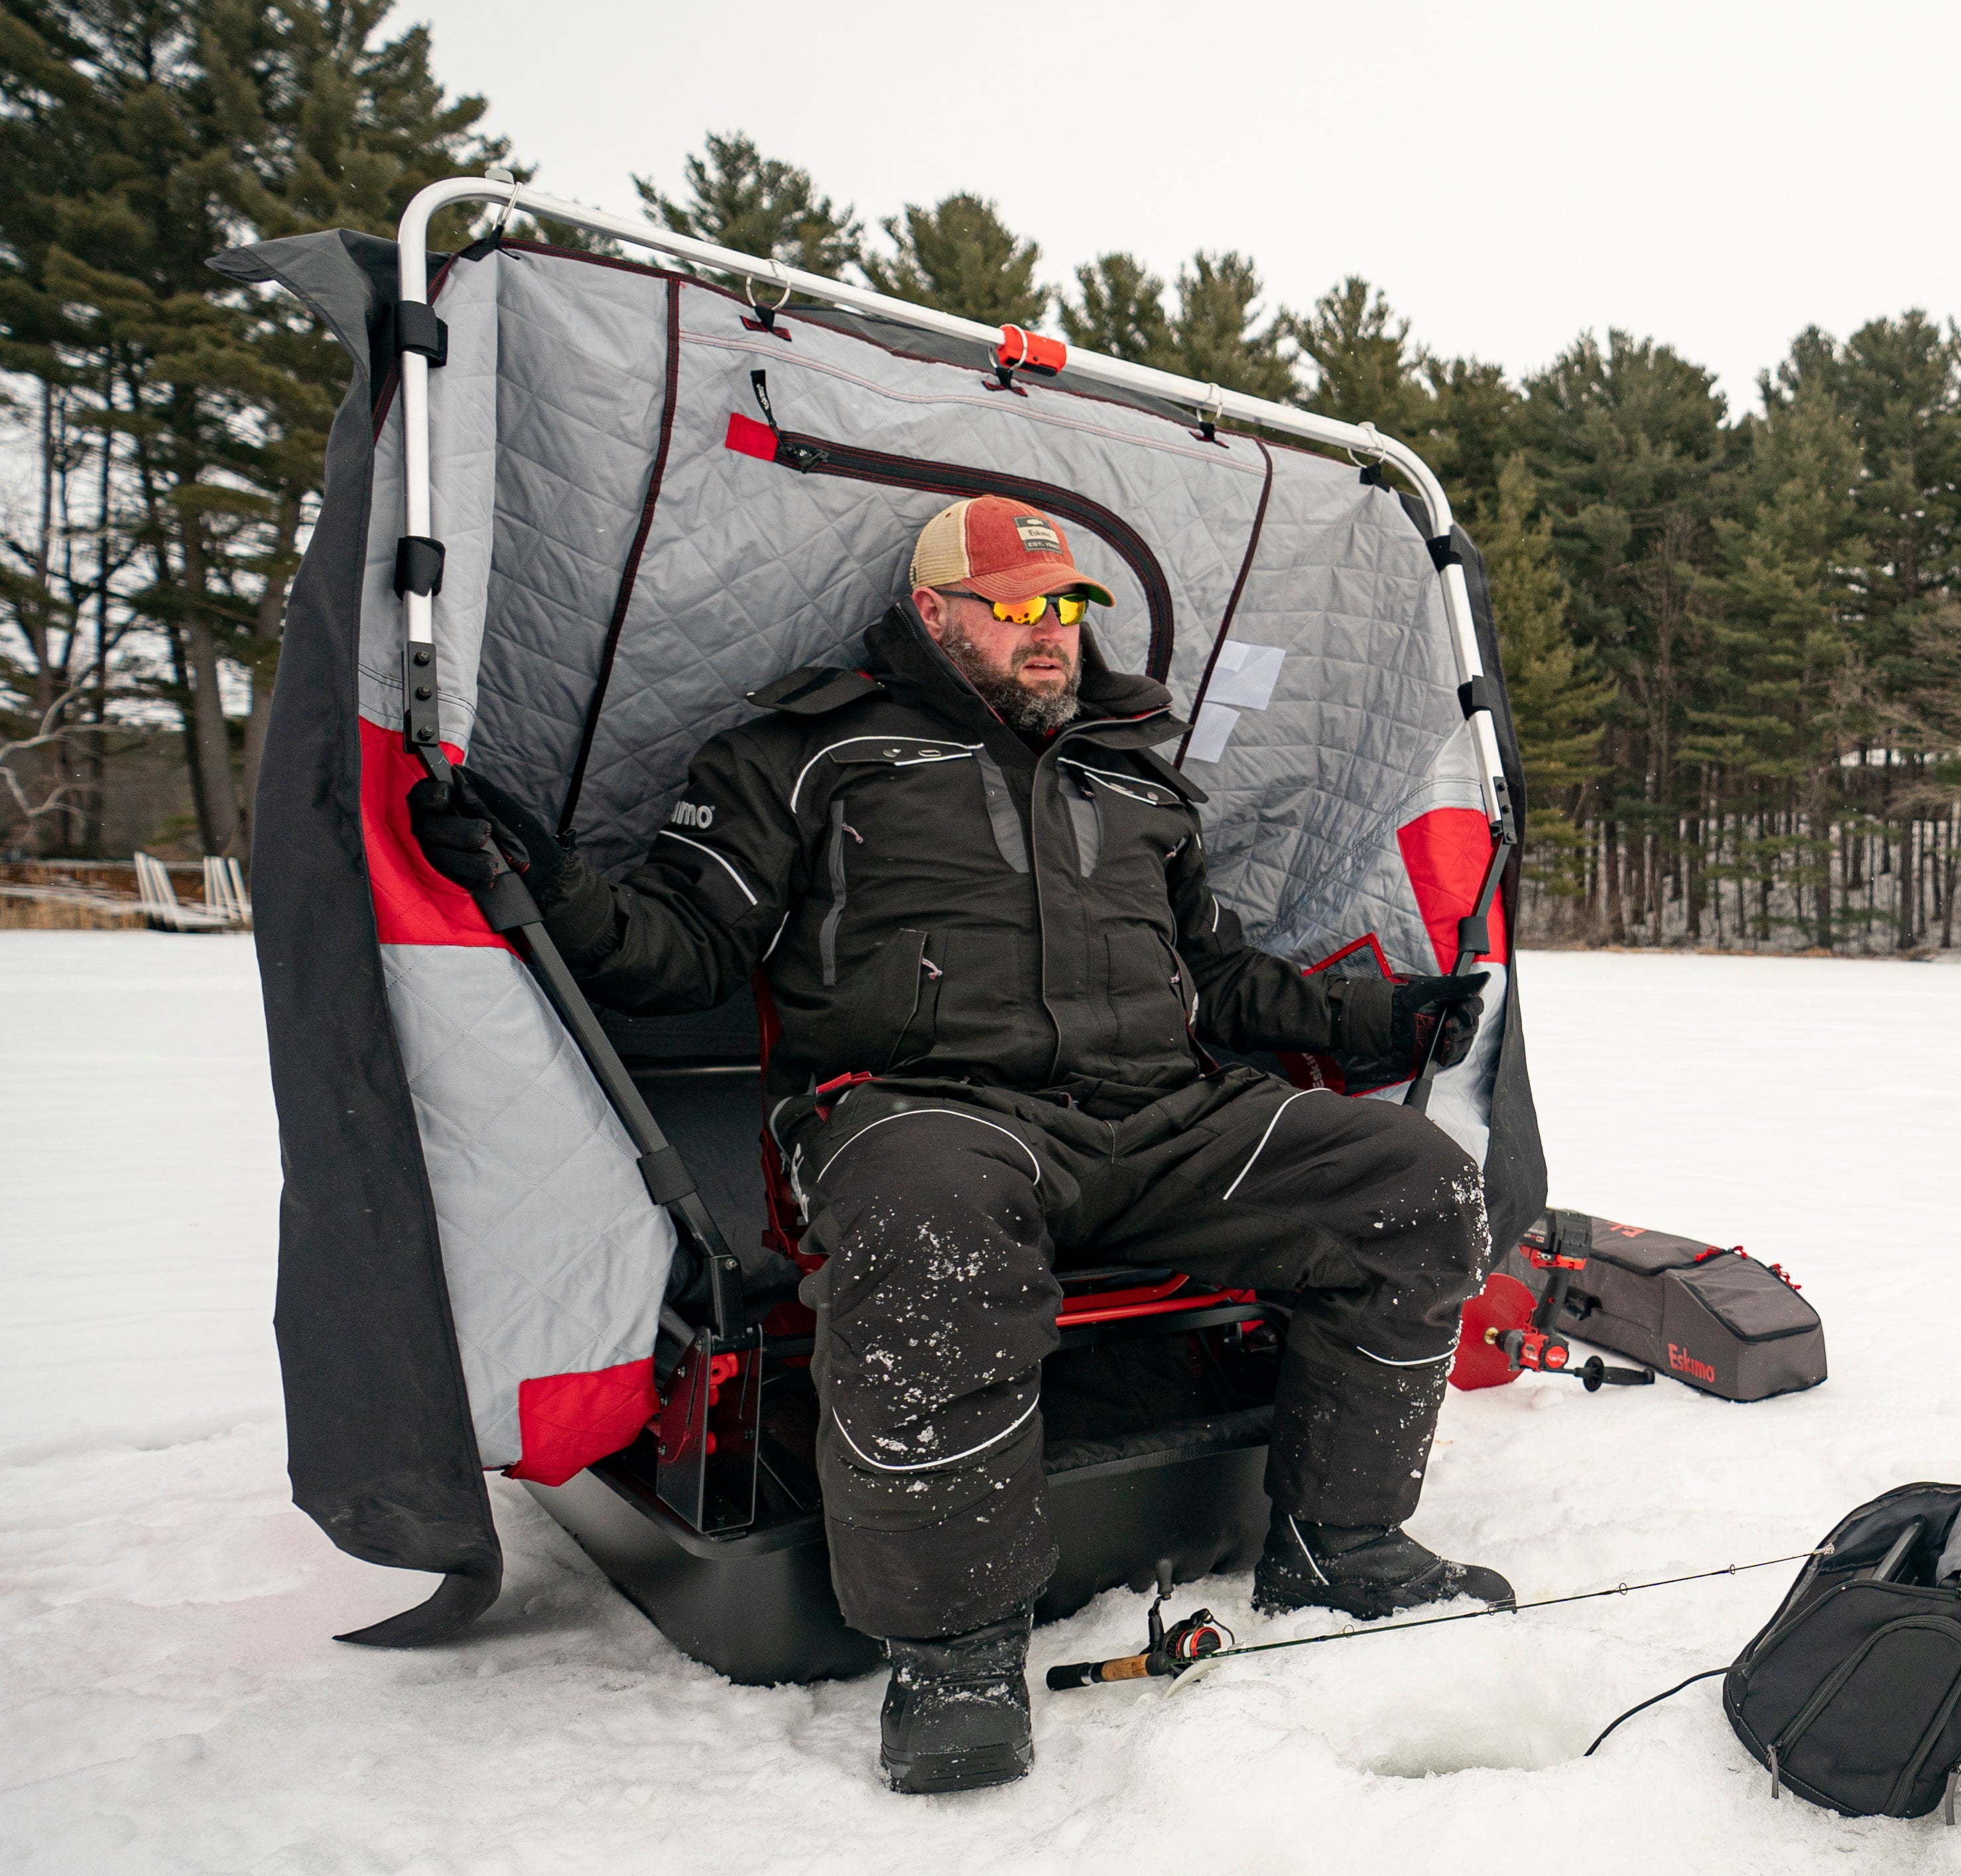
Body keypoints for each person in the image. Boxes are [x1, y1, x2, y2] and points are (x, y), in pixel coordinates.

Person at [409, 495, 1508, 1794]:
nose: (1054, 635)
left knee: (1419, 1189)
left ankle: (1342, 1542)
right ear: (935, 613)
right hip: (922, 1110)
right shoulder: (806, 753)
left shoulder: (1133, 771)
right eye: (1021, 609)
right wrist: (543, 888)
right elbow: (682, 948)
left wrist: (1382, 1012)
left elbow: (1211, 977)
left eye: (1068, 609)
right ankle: (957, 1647)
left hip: (1157, 1119)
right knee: (933, 1227)